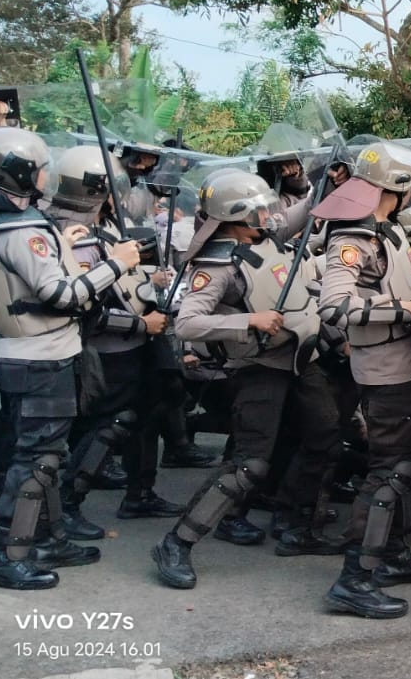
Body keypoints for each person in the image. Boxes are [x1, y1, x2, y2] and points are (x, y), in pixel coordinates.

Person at [149, 169, 343, 591]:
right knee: (249, 464)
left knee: (326, 435)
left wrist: (331, 179)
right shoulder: (216, 264)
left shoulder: (265, 235)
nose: (268, 214)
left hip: (300, 359)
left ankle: (297, 526)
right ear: (237, 216)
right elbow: (187, 323)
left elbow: (305, 211)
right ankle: (177, 543)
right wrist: (248, 319)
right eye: (258, 209)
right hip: (257, 367)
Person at [0, 128, 142, 588]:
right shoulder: (25, 229)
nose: (44, 176)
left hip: (18, 353)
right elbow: (59, 294)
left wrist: (65, 248)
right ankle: (6, 552)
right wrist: (118, 262)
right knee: (36, 459)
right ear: (17, 173)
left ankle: (49, 538)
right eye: (37, 168)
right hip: (43, 356)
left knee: (46, 453)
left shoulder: (3, 223)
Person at [315, 143, 411, 618]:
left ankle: (394, 554)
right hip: (386, 372)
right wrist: (406, 310)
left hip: (402, 366)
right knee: (389, 471)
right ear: (401, 187)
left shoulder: (388, 232)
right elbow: (333, 307)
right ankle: (354, 578)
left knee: (407, 464)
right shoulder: (354, 237)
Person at [45, 147, 182, 542]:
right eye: (112, 187)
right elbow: (87, 310)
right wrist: (140, 324)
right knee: (108, 426)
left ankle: (140, 493)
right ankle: (68, 503)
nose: (120, 197)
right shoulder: (75, 235)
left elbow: (117, 283)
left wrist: (148, 276)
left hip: (133, 347)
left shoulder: (98, 228)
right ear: (94, 189)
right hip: (107, 352)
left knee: (146, 416)